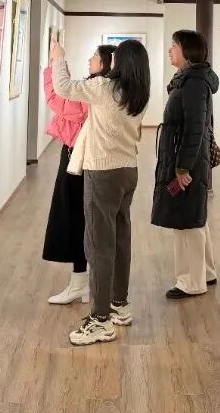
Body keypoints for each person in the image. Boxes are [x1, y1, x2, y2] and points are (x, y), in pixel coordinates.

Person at [50, 34, 150, 347]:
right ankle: (119, 304)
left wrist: (58, 57)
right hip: (128, 171)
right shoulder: (139, 94)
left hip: (103, 172)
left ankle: (100, 320)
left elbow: (63, 87)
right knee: (120, 239)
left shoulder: (104, 88)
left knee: (98, 245)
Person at [41, 44, 116, 305]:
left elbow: (57, 99)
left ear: (105, 64)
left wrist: (57, 61)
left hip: (80, 159)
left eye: (95, 56)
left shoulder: (96, 90)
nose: (90, 59)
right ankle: (85, 283)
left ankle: (81, 284)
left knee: (75, 219)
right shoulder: (103, 88)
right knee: (83, 219)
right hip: (84, 157)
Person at [153, 30, 219, 299]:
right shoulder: (189, 79)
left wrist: (182, 168)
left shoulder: (193, 83)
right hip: (187, 158)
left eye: (174, 45)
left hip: (187, 161)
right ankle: (206, 272)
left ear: (187, 50)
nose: (170, 50)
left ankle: (191, 281)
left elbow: (194, 129)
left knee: (186, 220)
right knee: (194, 217)